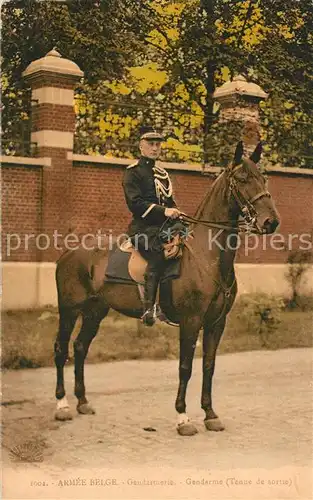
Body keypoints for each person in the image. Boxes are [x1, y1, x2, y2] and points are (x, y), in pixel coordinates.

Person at [122, 126, 182, 326]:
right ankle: (149, 308)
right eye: (151, 144)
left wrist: (176, 213)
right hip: (142, 229)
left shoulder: (162, 174)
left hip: (164, 228)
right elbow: (135, 204)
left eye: (158, 144)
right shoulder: (133, 173)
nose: (155, 148)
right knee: (157, 256)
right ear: (141, 146)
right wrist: (163, 211)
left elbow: (169, 202)